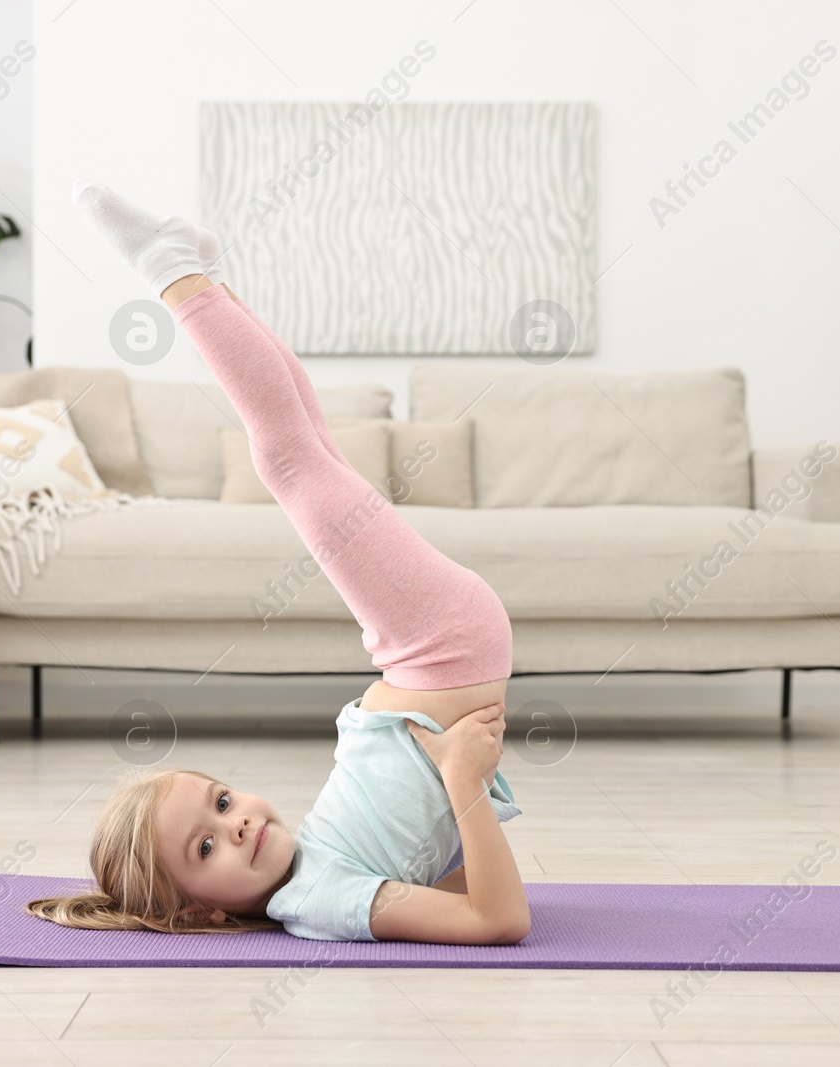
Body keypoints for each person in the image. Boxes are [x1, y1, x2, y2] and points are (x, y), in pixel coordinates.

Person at [26, 183, 528, 943]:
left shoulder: (319, 868)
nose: (239, 826)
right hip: (441, 647)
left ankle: (201, 273)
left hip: (437, 653)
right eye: (206, 844)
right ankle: (176, 268)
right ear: (200, 908)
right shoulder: (315, 902)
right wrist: (460, 777)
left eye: (222, 803)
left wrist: (456, 779)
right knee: (293, 459)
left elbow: (459, 885)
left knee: (306, 446)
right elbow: (497, 919)